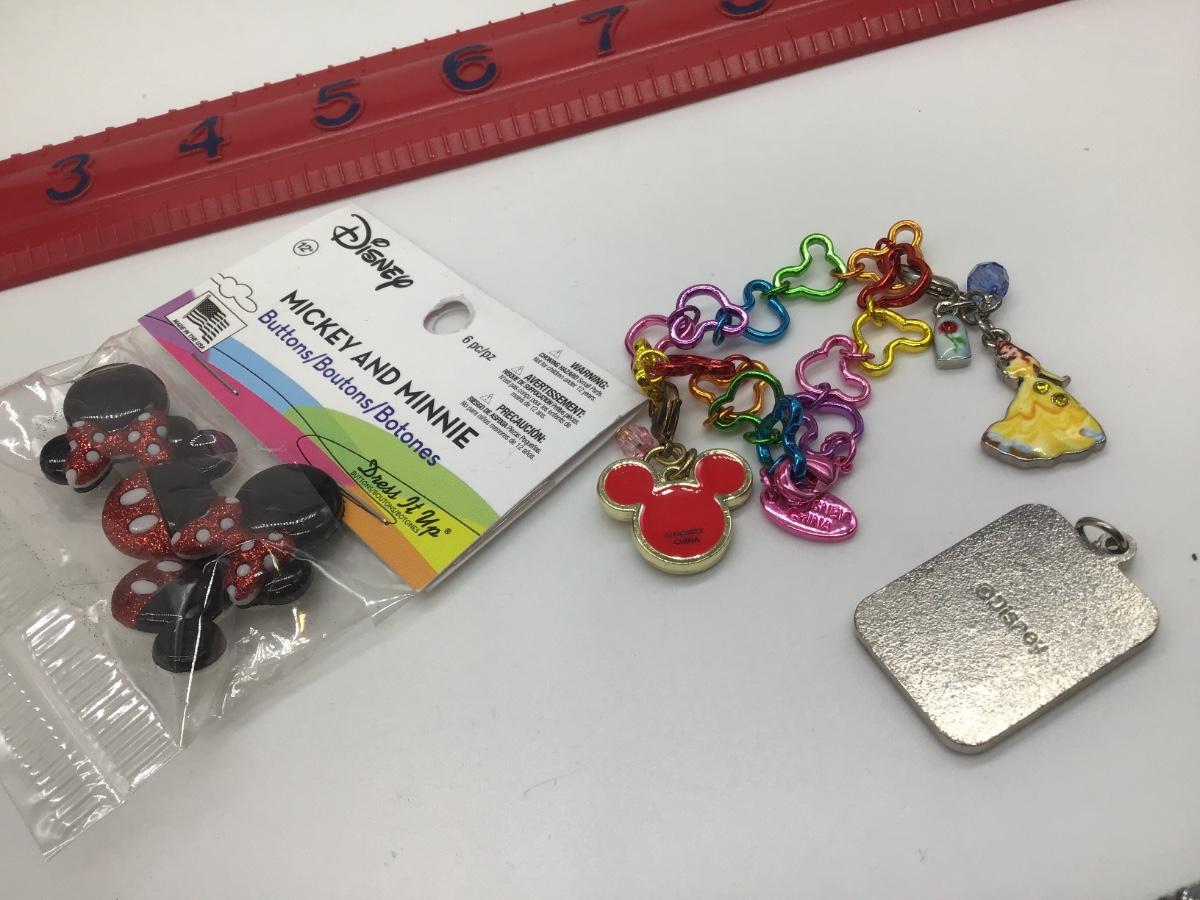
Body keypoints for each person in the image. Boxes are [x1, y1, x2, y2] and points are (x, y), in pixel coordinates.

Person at [981, 340, 1105, 466]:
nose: (1011, 352)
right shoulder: (1006, 364)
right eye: (1006, 351)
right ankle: (1039, 444)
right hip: (1028, 390)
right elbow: (1010, 379)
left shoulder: (1030, 361)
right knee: (1029, 414)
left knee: (1063, 412)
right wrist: (1005, 369)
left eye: (1011, 348)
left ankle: (1081, 436)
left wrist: (1059, 380)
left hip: (1048, 389)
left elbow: (1043, 372)